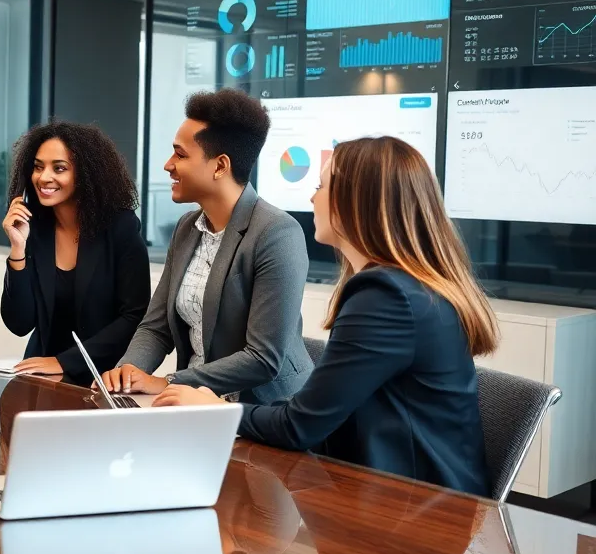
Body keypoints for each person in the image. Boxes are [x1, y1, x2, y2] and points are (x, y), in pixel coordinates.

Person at [151, 136, 495, 496]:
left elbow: (300, 426)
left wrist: (216, 409)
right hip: (409, 496)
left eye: (321, 186)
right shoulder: (407, 289)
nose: (312, 197)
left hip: (420, 514)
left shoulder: (386, 299)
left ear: (356, 203)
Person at [102, 88, 311, 404]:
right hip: (191, 404)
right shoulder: (188, 228)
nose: (168, 165)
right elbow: (155, 328)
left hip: (265, 413)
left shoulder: (277, 233)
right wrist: (128, 372)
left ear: (220, 166)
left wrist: (168, 382)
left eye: (180, 154)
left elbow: (263, 358)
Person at [0, 121, 149, 380]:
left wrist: (64, 362)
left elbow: (134, 316)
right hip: (43, 377)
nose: (44, 177)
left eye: (59, 168)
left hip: (102, 376)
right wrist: (18, 249)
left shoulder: (120, 226)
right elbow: (19, 324)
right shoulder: (34, 228)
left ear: (85, 174)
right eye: (37, 167)